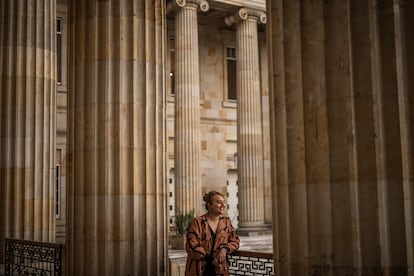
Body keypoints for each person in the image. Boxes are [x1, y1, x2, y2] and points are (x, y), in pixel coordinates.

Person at [185, 191, 240, 276]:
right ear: (209, 205)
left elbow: (235, 241)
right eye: (218, 202)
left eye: (224, 202)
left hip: (220, 269)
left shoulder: (226, 222)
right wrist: (211, 259)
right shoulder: (197, 222)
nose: (223, 205)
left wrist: (225, 249)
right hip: (199, 270)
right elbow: (191, 247)